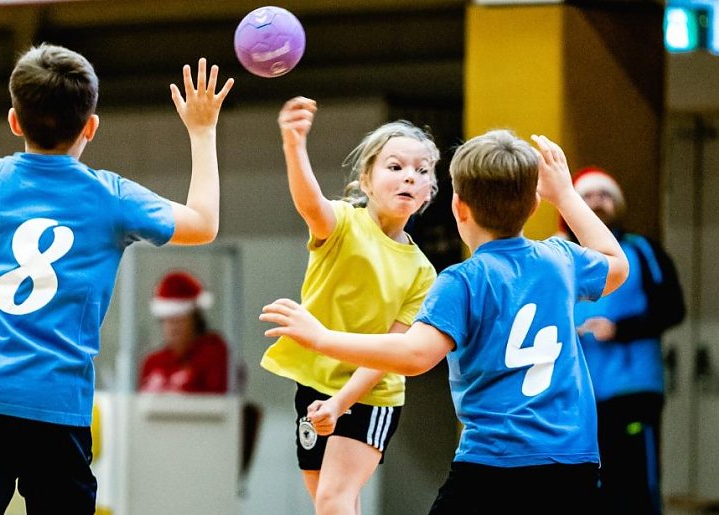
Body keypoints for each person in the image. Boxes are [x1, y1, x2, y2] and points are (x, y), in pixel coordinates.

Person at [0, 44, 233, 514]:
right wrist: (203, 131)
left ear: (13, 121)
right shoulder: (111, 196)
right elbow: (204, 222)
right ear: (90, 126)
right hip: (57, 407)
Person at [260, 131, 630, 514]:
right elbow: (617, 266)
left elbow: (414, 355)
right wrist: (566, 195)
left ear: (458, 206)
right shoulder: (561, 260)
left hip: (494, 462)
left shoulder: (461, 280)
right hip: (573, 461)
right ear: (535, 204)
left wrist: (321, 337)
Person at [260, 96, 439, 514]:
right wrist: (293, 143)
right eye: (395, 167)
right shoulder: (341, 224)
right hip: (313, 384)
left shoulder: (422, 272)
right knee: (335, 504)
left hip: (371, 393)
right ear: (366, 179)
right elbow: (309, 203)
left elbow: (390, 354)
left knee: (333, 500)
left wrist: (342, 403)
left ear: (431, 190)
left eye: (422, 171)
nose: (409, 177)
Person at [565, 166, 685, 515]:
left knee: (635, 483)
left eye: (605, 195)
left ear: (618, 204)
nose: (597, 202)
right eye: (587, 196)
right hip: (579, 392)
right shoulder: (561, 256)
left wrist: (620, 329)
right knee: (588, 487)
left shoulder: (642, 251)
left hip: (632, 389)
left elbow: (672, 308)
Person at [138, 269, 229, 394]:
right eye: (168, 320)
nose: (173, 327)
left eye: (179, 318)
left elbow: (220, 403)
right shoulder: (153, 362)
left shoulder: (214, 353)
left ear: (195, 319)